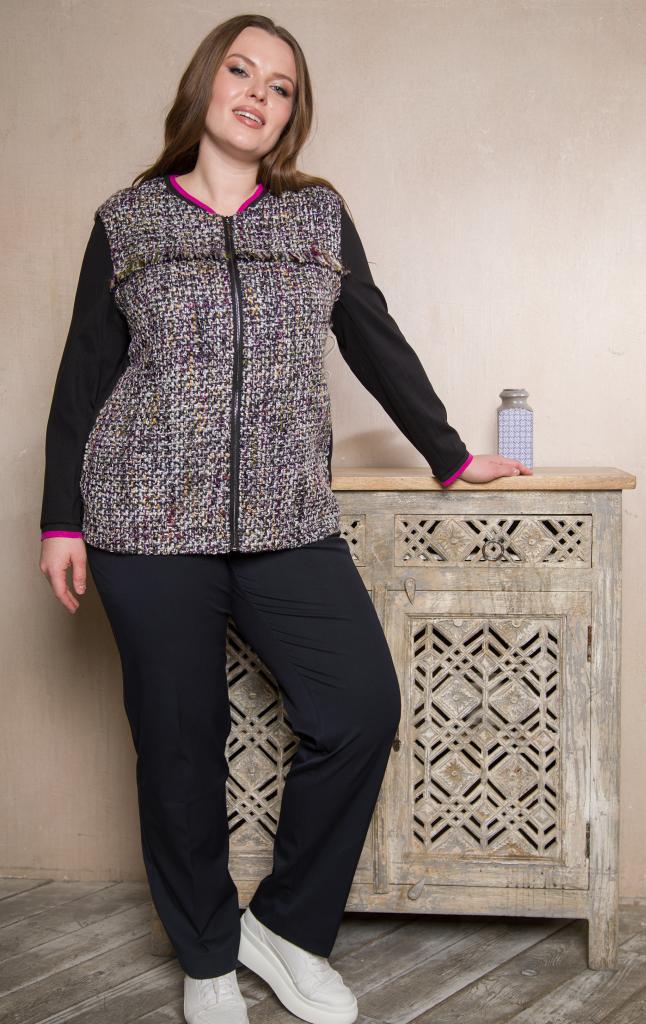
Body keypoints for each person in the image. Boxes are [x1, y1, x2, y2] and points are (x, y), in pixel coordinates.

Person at [38, 14, 532, 1024]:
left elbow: (372, 336)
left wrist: (446, 450)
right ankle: (207, 955)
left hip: (287, 517)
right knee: (179, 745)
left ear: (290, 115)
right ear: (205, 84)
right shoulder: (128, 221)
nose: (258, 94)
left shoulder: (314, 218)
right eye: (241, 70)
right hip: (144, 521)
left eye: (281, 86)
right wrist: (60, 520)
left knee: (359, 708)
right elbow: (83, 371)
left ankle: (287, 930)